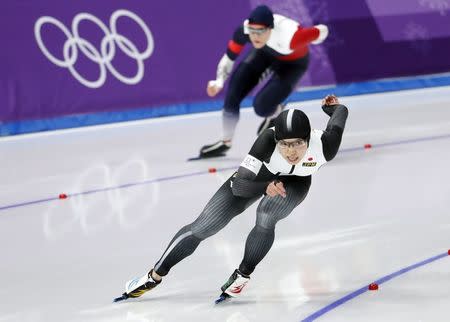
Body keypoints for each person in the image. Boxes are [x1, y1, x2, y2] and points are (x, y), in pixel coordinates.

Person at [114, 95, 348, 303]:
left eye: (298, 143)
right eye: (285, 145)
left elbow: (340, 113)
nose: (292, 151)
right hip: (260, 178)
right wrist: (265, 186)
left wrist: (332, 107)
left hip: (296, 182)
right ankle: (155, 275)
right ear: (276, 141)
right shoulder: (266, 141)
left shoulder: (325, 145)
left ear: (308, 139)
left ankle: (242, 274)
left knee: (266, 216)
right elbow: (239, 185)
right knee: (204, 225)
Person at [199, 5, 329, 158]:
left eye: (260, 32)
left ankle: (276, 112)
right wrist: (219, 81)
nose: (255, 37)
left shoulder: (292, 37)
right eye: (252, 31)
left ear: (271, 29)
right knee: (233, 90)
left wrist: (318, 37)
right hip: (265, 53)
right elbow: (229, 57)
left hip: (292, 64)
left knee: (261, 107)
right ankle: (225, 141)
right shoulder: (244, 31)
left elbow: (323, 29)